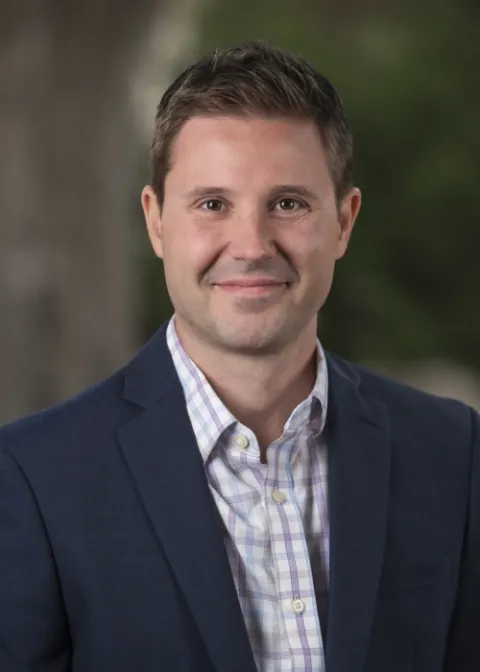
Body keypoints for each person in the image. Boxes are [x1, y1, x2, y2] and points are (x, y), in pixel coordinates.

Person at [0, 41, 478, 672]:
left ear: (344, 221)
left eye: (288, 203)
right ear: (156, 222)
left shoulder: (453, 453)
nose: (251, 246)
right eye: (212, 204)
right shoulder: (34, 478)